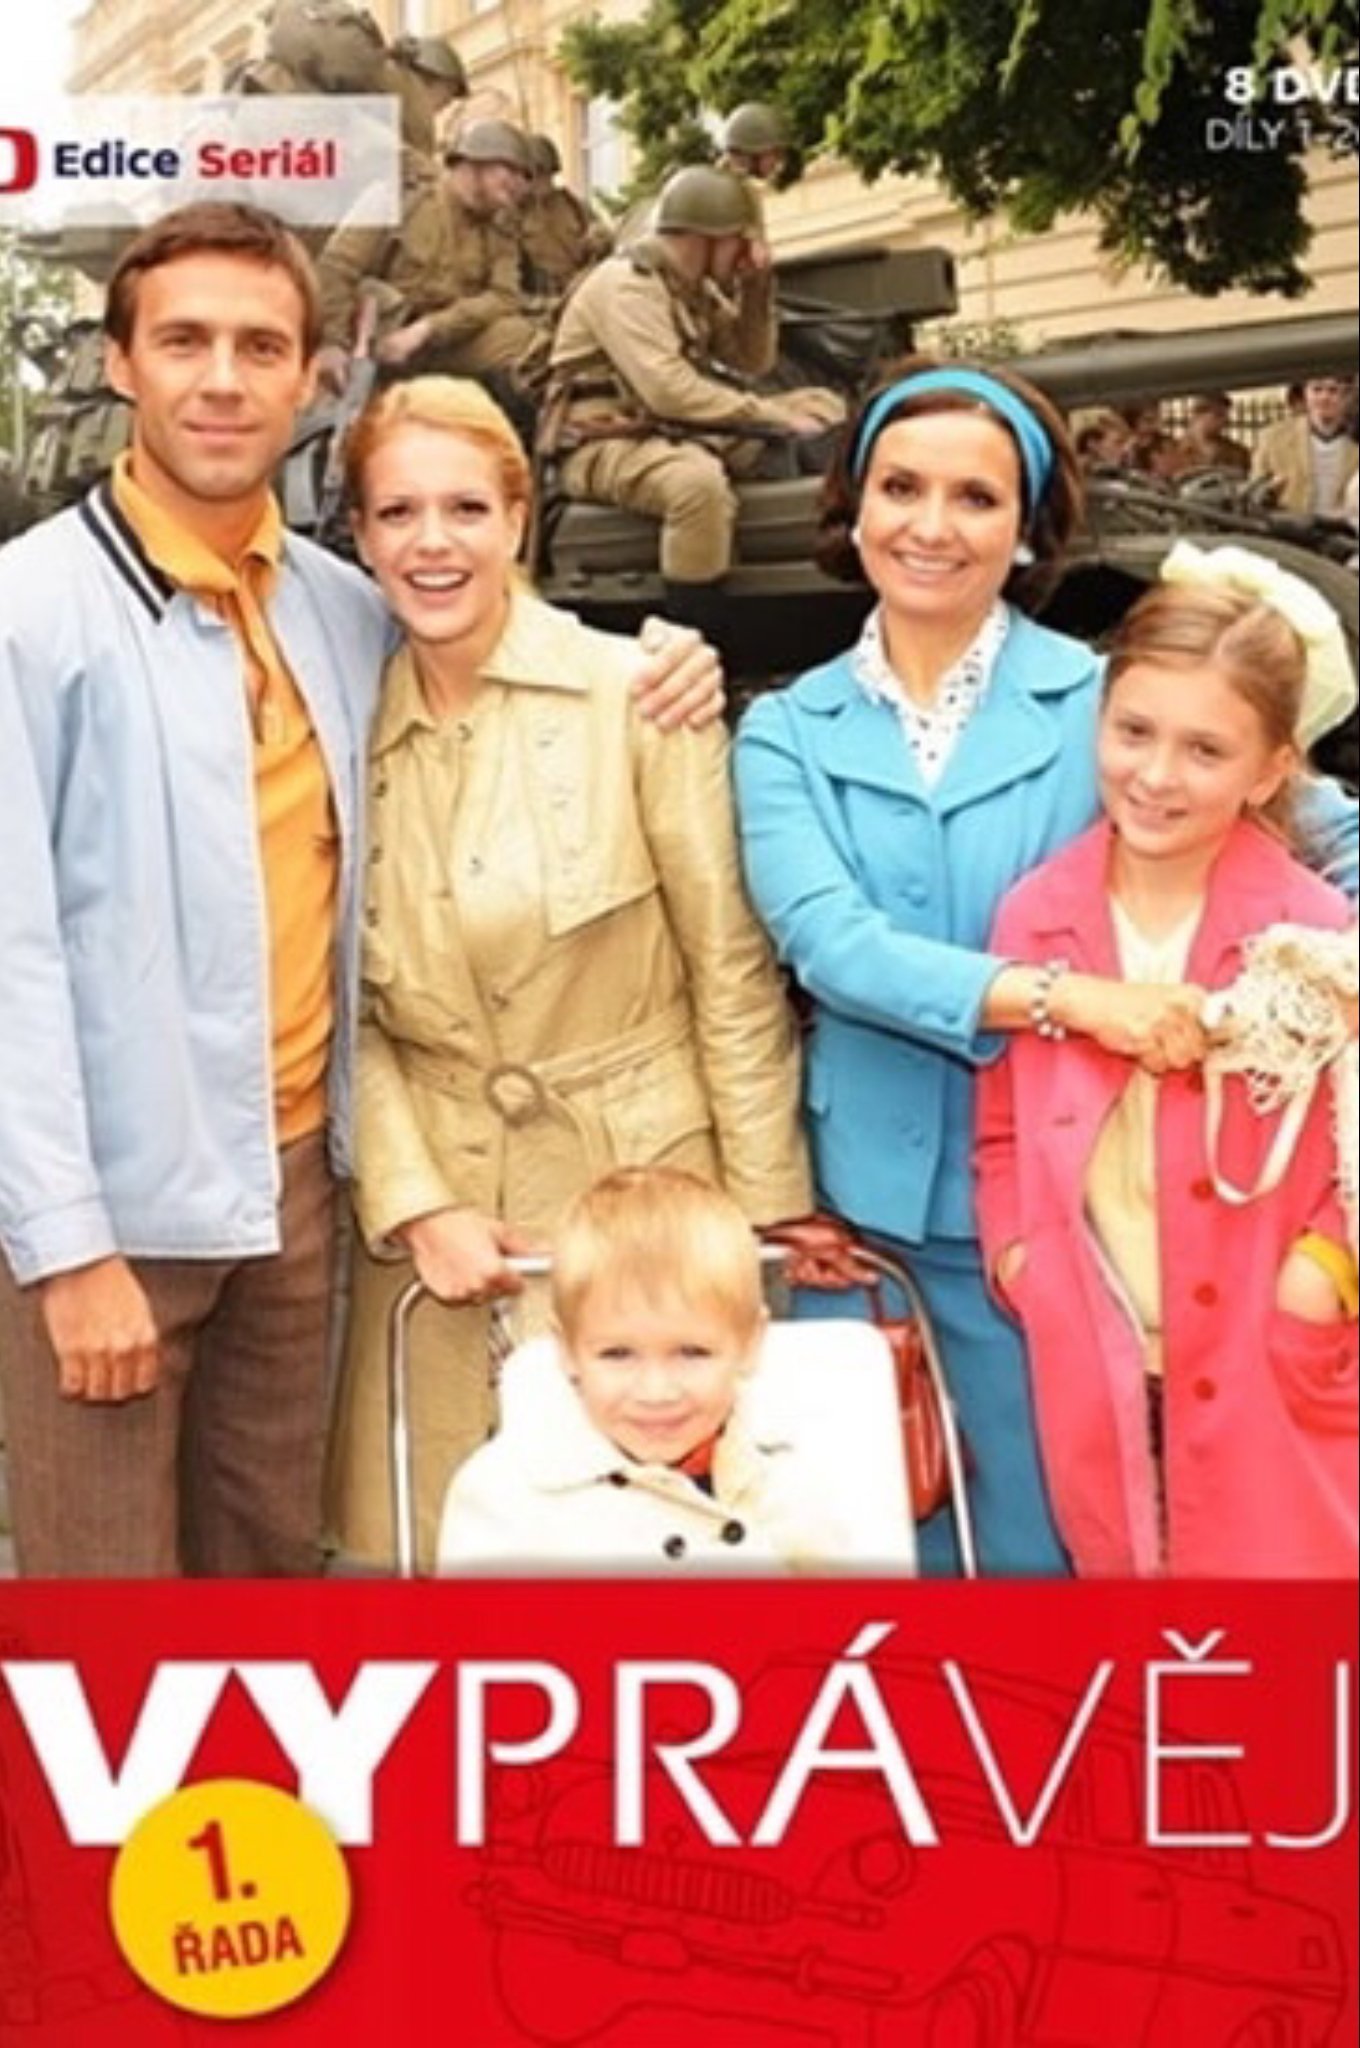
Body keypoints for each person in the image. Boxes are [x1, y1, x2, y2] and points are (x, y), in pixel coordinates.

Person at [0, 202, 728, 1580]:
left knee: (273, 1585)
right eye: (184, 341)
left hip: (296, 1194)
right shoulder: (27, 616)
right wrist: (65, 1246)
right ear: (119, 363)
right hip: (115, 1208)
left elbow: (492, 657)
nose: (223, 379)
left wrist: (661, 662)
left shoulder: (337, 609)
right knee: (106, 1614)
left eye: (261, 346)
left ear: (312, 375)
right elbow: (10, 960)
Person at [733, 358, 1360, 1576]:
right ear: (852, 505)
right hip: (860, 1210)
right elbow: (829, 942)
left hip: (1068, 1211)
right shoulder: (785, 728)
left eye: (975, 496)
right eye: (900, 487)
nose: (930, 525)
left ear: (1025, 527)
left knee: (1059, 1549)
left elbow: (1309, 825)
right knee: (868, 1547)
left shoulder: (1107, 700)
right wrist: (1077, 1000)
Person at [326, 376, 815, 1568]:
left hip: (643, 1202)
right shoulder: (336, 728)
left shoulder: (636, 693)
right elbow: (342, 1005)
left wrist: (760, 1218)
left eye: (465, 508)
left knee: (673, 1568)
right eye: (397, 513)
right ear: (360, 536)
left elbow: (727, 966)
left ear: (519, 517)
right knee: (439, 1560)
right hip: (448, 1230)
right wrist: (412, 1200)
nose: (432, 543)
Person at [976, 569, 1357, 1577]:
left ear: (1270, 770)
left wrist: (1318, 1275)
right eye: (1134, 732)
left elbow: (1348, 1147)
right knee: (1132, 1587)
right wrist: (1022, 1260)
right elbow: (1004, 1126)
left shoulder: (1312, 929)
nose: (1156, 775)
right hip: (1097, 1340)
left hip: (1265, 1350)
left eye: (1205, 750)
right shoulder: (1034, 915)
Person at [438, 1166, 869, 1572]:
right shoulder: (504, 1497)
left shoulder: (790, 1483)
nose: (656, 1391)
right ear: (566, 1350)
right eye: (617, 1355)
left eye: (692, 1353)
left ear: (750, 1344)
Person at [544, 164, 844, 640]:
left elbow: (752, 360)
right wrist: (773, 416)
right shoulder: (627, 285)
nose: (745, 251)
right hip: (601, 440)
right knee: (697, 488)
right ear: (710, 238)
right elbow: (668, 391)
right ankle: (695, 637)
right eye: (738, 242)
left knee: (822, 404)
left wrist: (755, 287)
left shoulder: (690, 288)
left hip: (667, 429)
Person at [519, 133, 612, 297]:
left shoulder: (574, 207)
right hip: (535, 298)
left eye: (543, 172)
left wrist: (600, 240)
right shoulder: (513, 213)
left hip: (578, 292)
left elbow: (602, 240)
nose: (538, 180)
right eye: (531, 175)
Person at [1252, 376, 1359, 517]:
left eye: (1333, 391)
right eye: (1317, 389)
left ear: (1346, 396)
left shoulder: (1354, 442)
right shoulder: (1273, 438)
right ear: (1305, 393)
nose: (1324, 397)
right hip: (1287, 527)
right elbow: (1255, 492)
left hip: (1343, 528)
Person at [1167, 390, 1251, 477]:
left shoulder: (1237, 452)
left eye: (1226, 417)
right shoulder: (1174, 451)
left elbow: (1244, 477)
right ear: (1198, 415)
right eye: (1218, 415)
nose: (1223, 422)